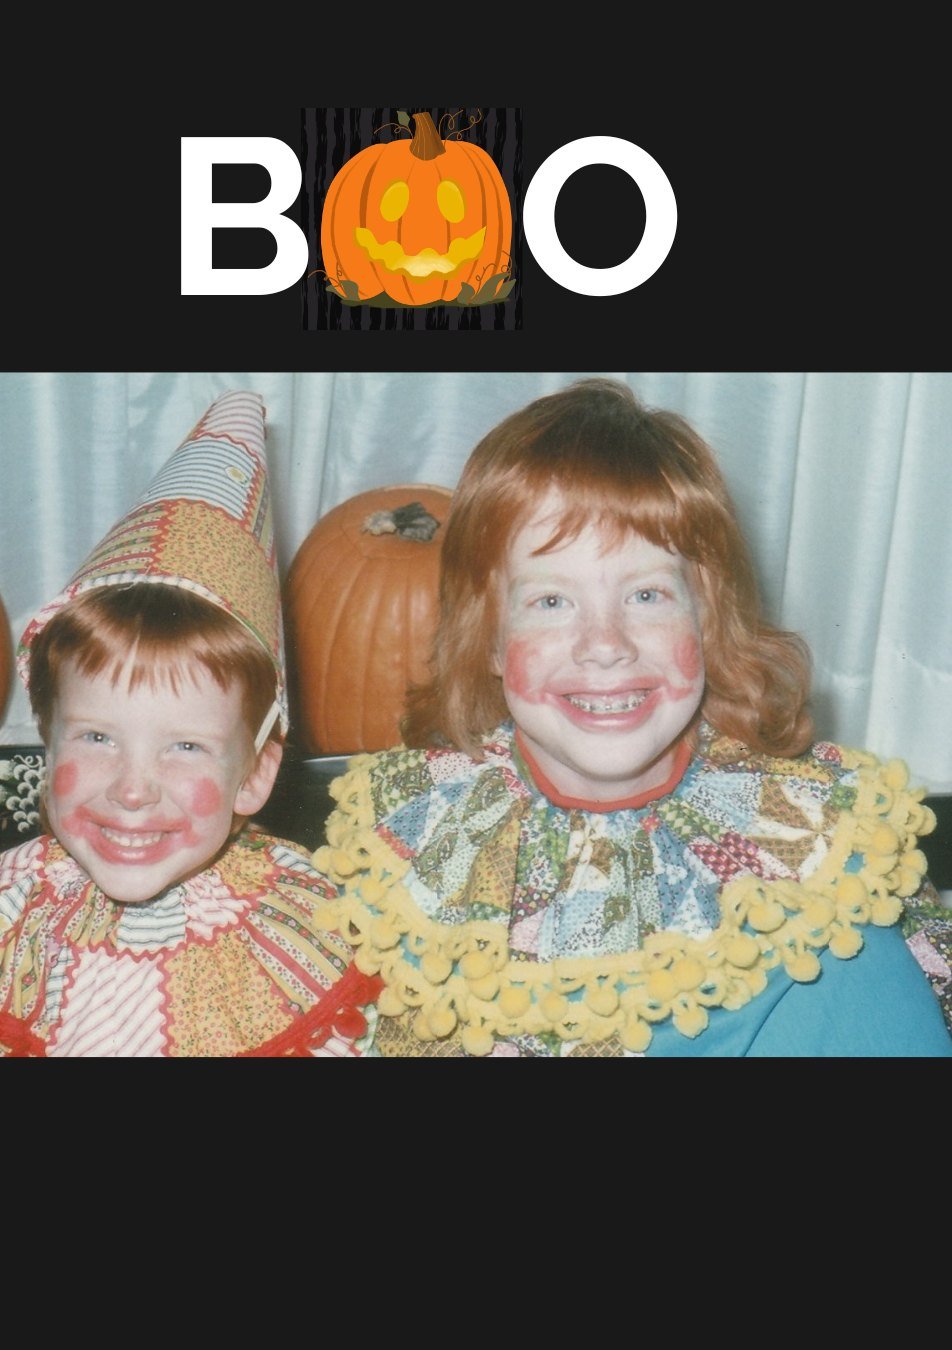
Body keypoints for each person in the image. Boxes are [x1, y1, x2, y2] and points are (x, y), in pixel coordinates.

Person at [312, 379, 952, 1057]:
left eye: (647, 594)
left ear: (708, 621)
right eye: (551, 602)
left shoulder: (814, 882)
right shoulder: (414, 841)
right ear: (491, 641)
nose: (606, 644)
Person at [0, 390, 379, 1057]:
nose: (133, 788)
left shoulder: (318, 938)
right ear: (47, 736)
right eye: (96, 737)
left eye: (185, 746)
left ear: (255, 773)